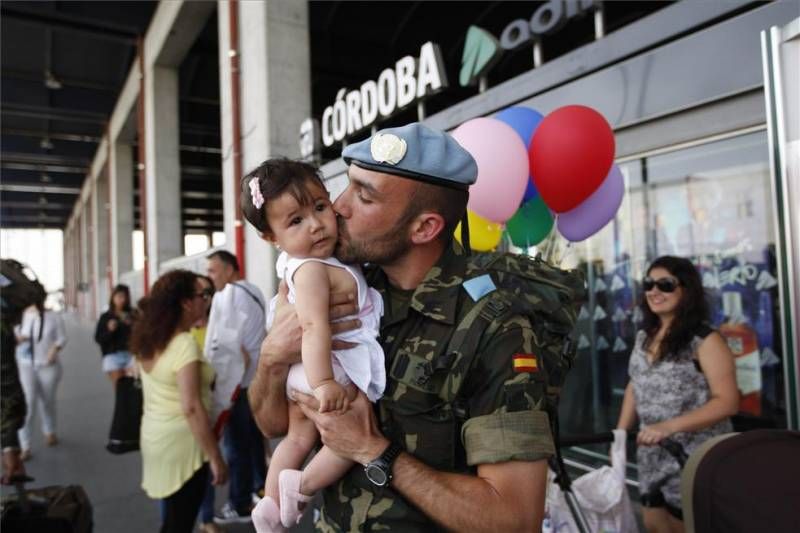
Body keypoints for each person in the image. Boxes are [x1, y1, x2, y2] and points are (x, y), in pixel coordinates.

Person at [249, 123, 555, 531]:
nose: (338, 206)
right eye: (347, 186)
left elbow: (514, 520)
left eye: (364, 195)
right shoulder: (349, 287)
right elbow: (273, 426)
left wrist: (374, 450)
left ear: (424, 228)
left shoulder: (496, 329)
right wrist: (271, 358)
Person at [240, 158, 385, 531]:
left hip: (301, 373)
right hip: (325, 370)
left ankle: (270, 508)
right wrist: (324, 383)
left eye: (320, 207)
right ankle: (300, 486)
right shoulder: (313, 269)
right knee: (349, 438)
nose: (317, 224)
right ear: (270, 238)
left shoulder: (304, 263)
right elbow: (314, 327)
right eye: (295, 221)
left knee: (296, 439)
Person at [616, 256, 738, 533]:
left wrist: (668, 427)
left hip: (693, 455)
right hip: (652, 453)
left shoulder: (706, 340)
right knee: (654, 524)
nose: (654, 291)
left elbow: (727, 402)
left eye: (666, 285)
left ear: (687, 290)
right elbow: (636, 385)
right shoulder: (644, 336)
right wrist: (620, 434)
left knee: (685, 525)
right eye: (649, 284)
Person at [131, 270, 228, 533]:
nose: (206, 300)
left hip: (155, 435)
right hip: (184, 444)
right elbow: (191, 407)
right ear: (186, 302)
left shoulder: (150, 338)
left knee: (174, 517)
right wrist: (215, 456)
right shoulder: (184, 344)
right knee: (180, 522)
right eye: (202, 295)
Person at [205, 250, 268, 524]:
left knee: (236, 445)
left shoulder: (229, 295)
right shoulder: (253, 290)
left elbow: (228, 347)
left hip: (237, 384)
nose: (210, 277)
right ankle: (261, 488)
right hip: (256, 379)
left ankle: (239, 504)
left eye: (214, 270)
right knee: (253, 439)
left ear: (230, 270)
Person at [15, 295, 67, 459]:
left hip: (47, 364)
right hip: (25, 364)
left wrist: (54, 350)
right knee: (28, 403)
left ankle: (49, 430)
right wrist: (17, 338)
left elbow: (61, 338)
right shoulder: (17, 316)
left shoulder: (53, 317)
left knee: (47, 400)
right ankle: (25, 445)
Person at [94, 284, 135, 386]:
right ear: (113, 297)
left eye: (125, 296)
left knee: (134, 387)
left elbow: (142, 334)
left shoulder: (133, 314)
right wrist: (109, 330)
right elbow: (98, 338)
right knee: (120, 388)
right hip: (113, 355)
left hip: (131, 355)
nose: (122, 300)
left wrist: (133, 325)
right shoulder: (106, 316)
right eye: (119, 296)